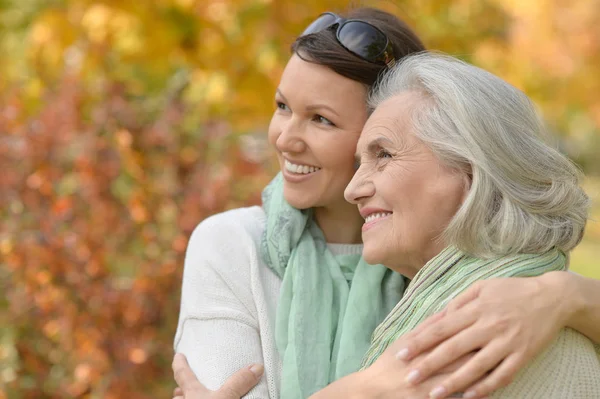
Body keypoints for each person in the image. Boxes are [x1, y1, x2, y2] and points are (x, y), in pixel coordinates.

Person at [173, 8, 600, 399]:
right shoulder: (232, 242)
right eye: (282, 106)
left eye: (322, 119)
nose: (284, 138)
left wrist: (563, 296)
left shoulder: (476, 292)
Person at [337, 52, 600, 398]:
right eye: (360, 163)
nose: (351, 190)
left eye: (383, 155)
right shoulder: (519, 304)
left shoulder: (489, 337)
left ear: (470, 174)